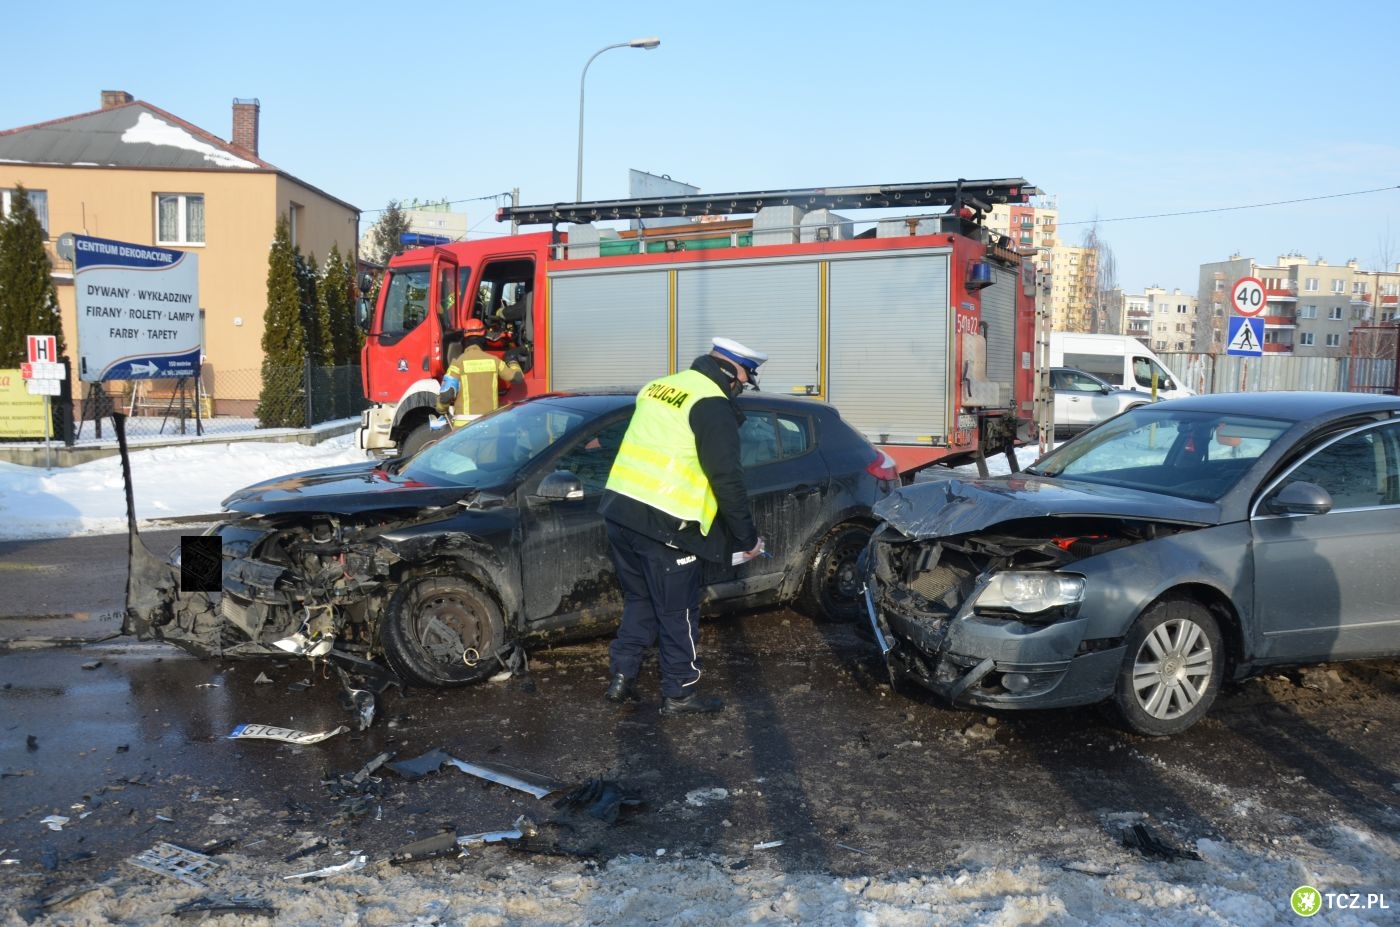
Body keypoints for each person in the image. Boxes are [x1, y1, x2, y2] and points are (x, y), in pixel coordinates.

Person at [599, 336, 769, 716]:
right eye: (745, 380)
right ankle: (680, 694)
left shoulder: (662, 386)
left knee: (639, 600)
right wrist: (747, 538)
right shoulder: (712, 404)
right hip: (668, 524)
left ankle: (621, 678)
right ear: (734, 374)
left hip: (620, 511)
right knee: (678, 612)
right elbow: (726, 478)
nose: (742, 389)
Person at [437, 319, 530, 426]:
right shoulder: (494, 361)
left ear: (465, 339)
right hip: (490, 424)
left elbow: (446, 394)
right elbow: (517, 378)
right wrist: (511, 360)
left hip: (464, 428)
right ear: (484, 337)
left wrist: (441, 408)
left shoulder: (458, 364)